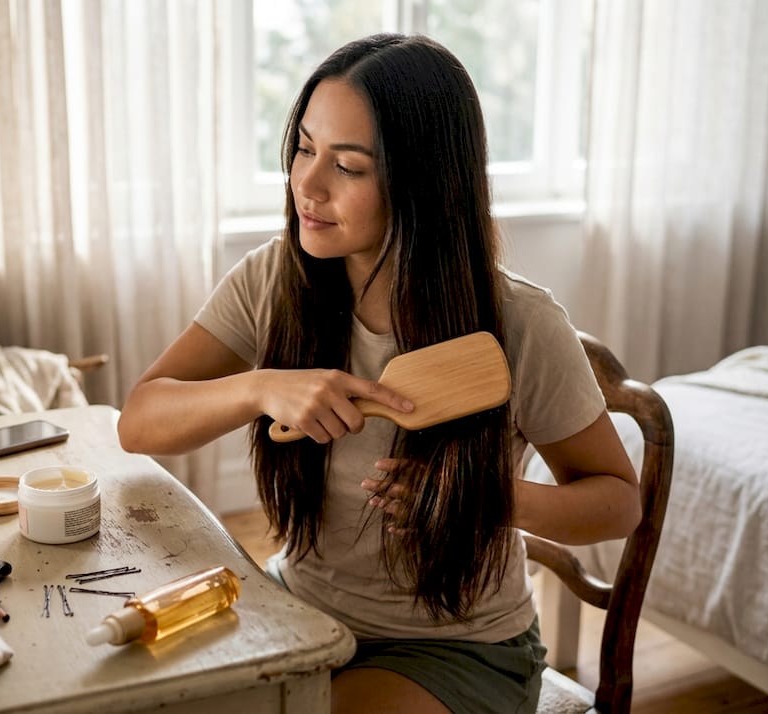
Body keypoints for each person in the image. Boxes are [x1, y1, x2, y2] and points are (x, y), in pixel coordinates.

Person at [117, 33, 640, 714]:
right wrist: (259, 386)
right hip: (302, 608)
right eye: (304, 148)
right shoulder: (274, 279)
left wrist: (481, 499)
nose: (308, 184)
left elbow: (617, 502)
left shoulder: (521, 324)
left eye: (348, 166)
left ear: (422, 183)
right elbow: (139, 422)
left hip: (456, 647)